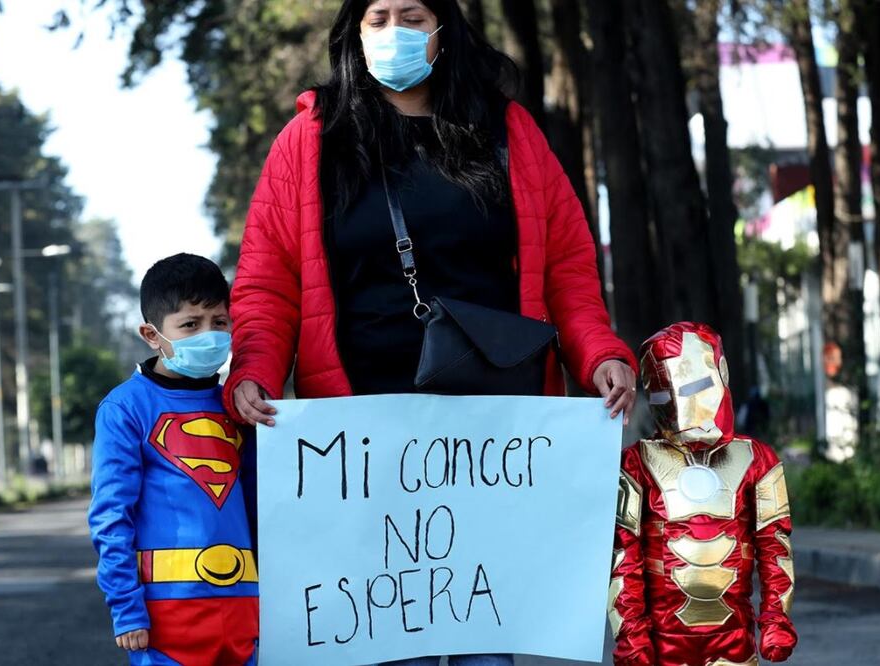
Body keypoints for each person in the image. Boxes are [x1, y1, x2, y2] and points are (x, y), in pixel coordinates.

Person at [227, 0, 637, 663]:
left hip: (490, 442)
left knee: (485, 646)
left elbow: (566, 265)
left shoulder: (508, 129)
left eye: (412, 16)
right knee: (394, 645)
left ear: (443, 31)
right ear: (354, 34)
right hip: (362, 447)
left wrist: (598, 355)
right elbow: (267, 283)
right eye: (379, 17)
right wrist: (254, 369)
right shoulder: (310, 139)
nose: (395, 32)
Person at [89, 253, 258, 665]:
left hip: (245, 611)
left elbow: (264, 506)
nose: (210, 335)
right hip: (166, 616)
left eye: (220, 322)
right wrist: (126, 608)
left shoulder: (240, 404)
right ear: (152, 334)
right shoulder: (125, 408)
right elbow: (111, 517)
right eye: (190, 325)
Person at [609, 322, 797, 666]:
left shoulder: (757, 460)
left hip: (734, 641)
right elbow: (624, 555)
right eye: (665, 396)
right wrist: (631, 632)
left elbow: (775, 546)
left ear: (720, 374)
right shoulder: (636, 463)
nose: (684, 409)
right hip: (663, 643)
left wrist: (776, 618)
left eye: (696, 387)